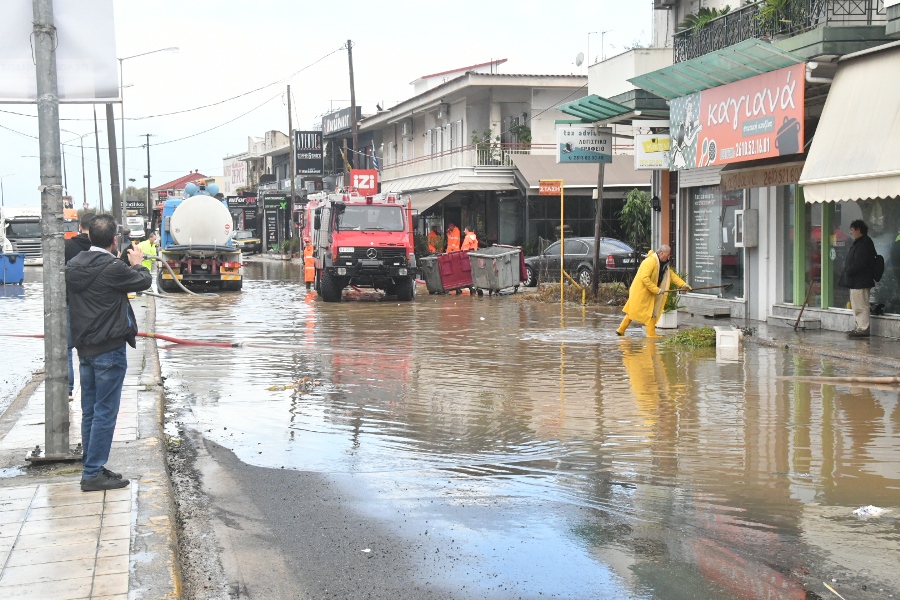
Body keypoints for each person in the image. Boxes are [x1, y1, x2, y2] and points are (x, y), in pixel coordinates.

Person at [66, 214, 151, 492]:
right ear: (114, 241)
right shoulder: (113, 267)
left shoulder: (74, 265)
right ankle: (92, 473)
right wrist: (139, 264)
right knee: (104, 412)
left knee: (90, 411)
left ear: (88, 237)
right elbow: (142, 282)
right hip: (109, 351)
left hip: (85, 350)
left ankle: (93, 467)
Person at [616, 244, 690, 339]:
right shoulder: (649, 262)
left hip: (651, 292)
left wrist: (683, 285)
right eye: (667, 255)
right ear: (661, 253)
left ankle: (624, 331)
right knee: (635, 311)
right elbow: (645, 278)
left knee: (650, 312)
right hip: (641, 292)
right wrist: (656, 290)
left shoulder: (664, 264)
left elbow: (672, 276)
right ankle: (646, 334)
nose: (669, 257)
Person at [64, 212, 95, 401]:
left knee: (67, 347)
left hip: (70, 302)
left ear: (80, 227)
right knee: (91, 347)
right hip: (93, 305)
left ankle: (68, 389)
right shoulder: (98, 248)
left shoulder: (68, 246)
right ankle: (90, 390)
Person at [839, 219, 877, 338]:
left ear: (858, 230)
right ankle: (859, 327)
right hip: (856, 281)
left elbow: (860, 262)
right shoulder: (859, 242)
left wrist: (849, 270)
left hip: (860, 280)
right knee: (856, 305)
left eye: (852, 230)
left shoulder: (864, 243)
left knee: (861, 305)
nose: (850, 232)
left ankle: (863, 328)